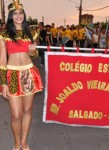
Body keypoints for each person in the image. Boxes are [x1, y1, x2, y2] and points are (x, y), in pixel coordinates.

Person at [0, 1, 43, 150]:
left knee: (27, 111)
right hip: (12, 75)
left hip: (28, 73)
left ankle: (24, 143)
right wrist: (3, 82)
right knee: (16, 115)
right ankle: (16, 142)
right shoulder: (4, 34)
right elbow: (2, 59)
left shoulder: (32, 33)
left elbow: (34, 54)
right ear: (11, 16)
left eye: (21, 13)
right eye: (15, 13)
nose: (18, 16)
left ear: (24, 15)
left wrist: (32, 50)